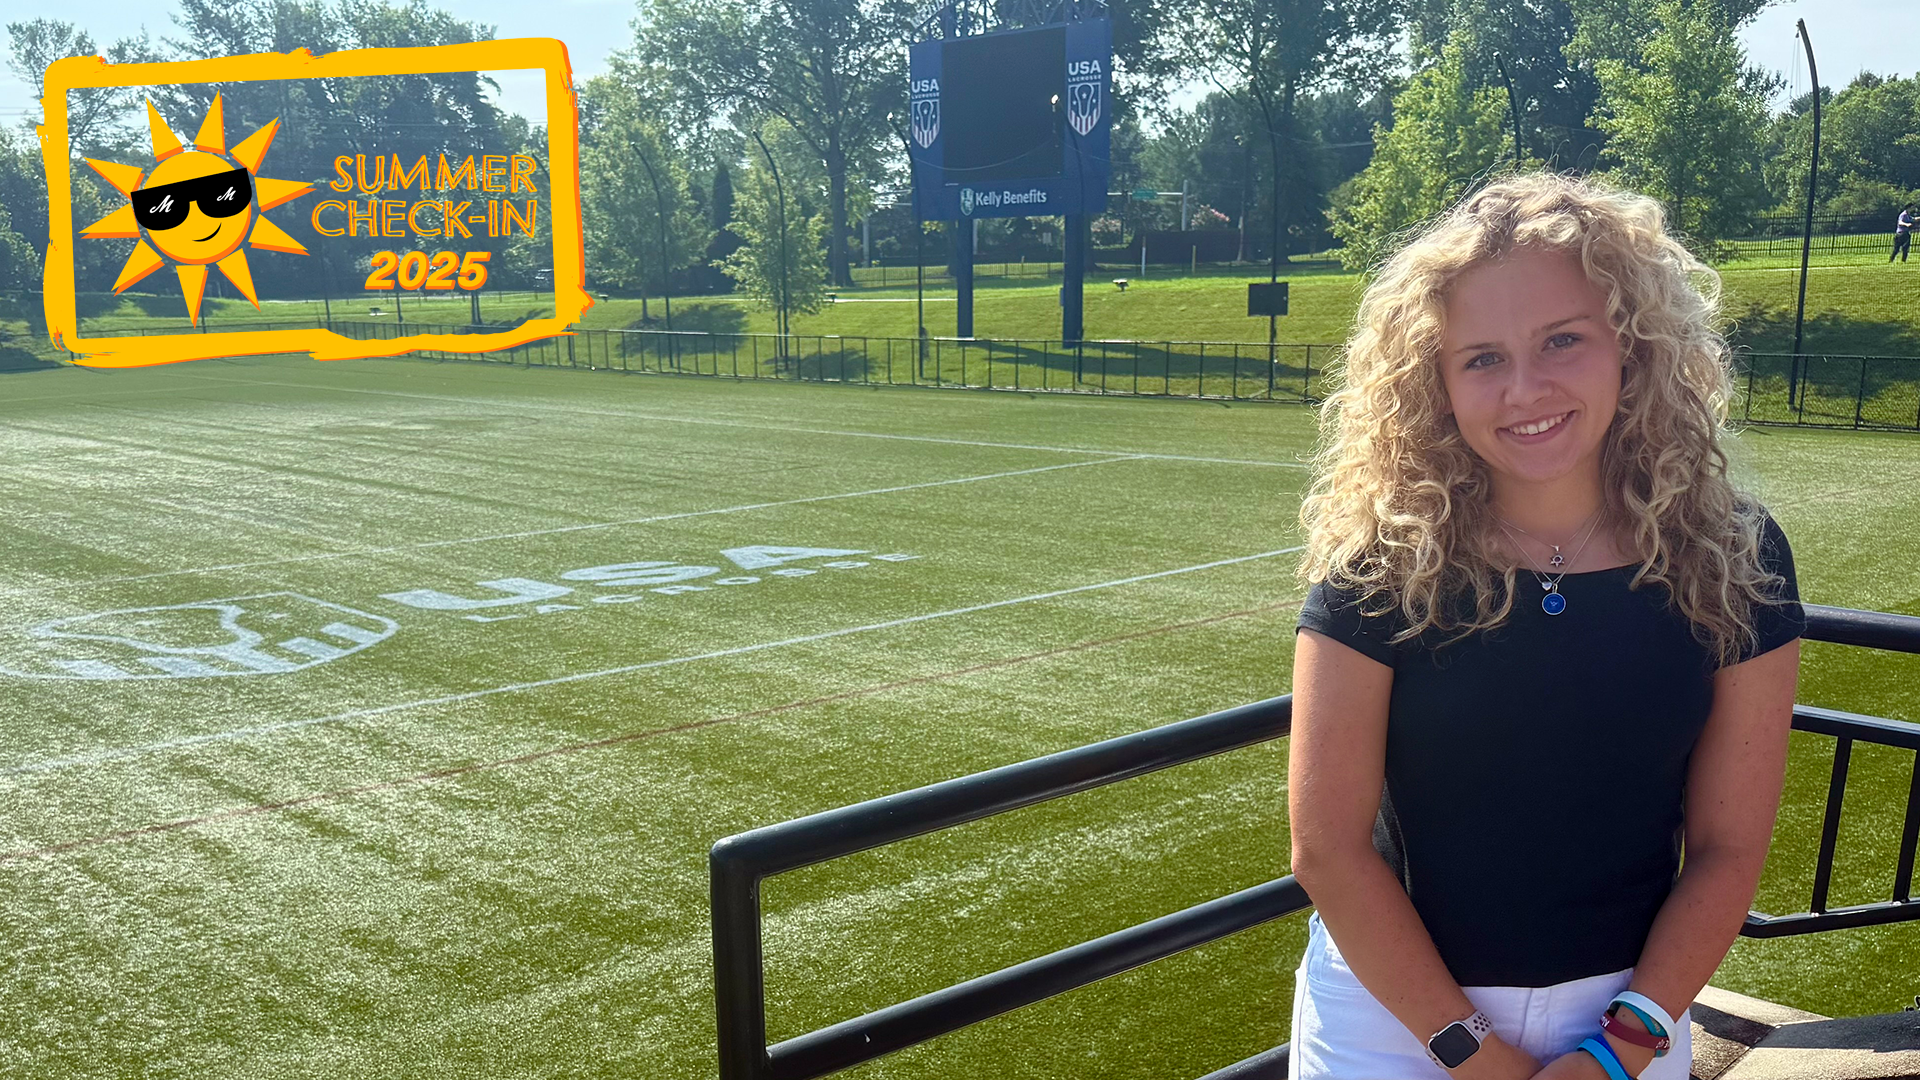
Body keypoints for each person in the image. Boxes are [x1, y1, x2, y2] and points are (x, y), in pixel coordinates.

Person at [1285, 172, 1806, 1080]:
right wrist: (1478, 1059)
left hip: (1632, 1015)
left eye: (1562, 340)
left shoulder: (1734, 554)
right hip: (1396, 1020)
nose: (1526, 389)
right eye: (1481, 357)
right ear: (1435, 383)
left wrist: (1616, 1052)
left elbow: (1729, 850)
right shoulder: (1382, 563)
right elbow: (1326, 849)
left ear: (1631, 348)